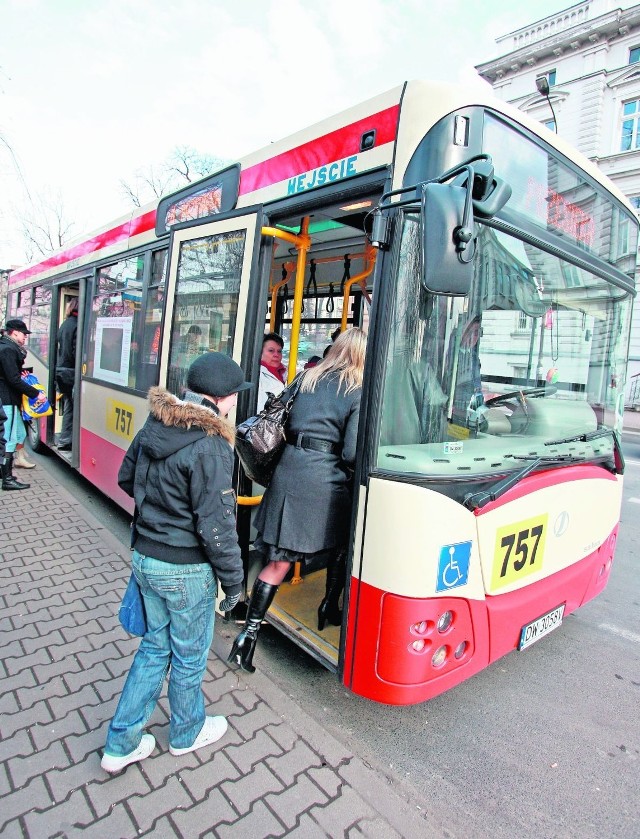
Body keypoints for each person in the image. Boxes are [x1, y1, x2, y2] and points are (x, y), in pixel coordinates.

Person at [101, 352, 252, 774]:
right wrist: (235, 586)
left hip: (146, 557)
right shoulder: (212, 445)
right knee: (188, 656)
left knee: (153, 649)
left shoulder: (156, 422)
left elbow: (126, 479)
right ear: (222, 399)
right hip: (186, 570)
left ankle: (122, 742)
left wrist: (160, 515)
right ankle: (186, 731)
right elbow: (217, 526)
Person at [228, 327, 366, 673]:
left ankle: (248, 636)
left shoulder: (307, 376)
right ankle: (328, 606)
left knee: (278, 562)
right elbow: (351, 452)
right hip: (325, 482)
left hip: (289, 473)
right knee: (342, 545)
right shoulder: (358, 389)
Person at [0, 319, 48, 491]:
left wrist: (21, 372)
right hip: (8, 400)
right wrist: (36, 394)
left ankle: (5, 472)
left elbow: (11, 374)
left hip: (9, 399)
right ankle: (6, 479)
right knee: (9, 439)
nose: (25, 337)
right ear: (14, 333)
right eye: (23, 334)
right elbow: (12, 379)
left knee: (19, 434)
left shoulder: (7, 347)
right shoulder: (7, 349)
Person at [55, 298, 79, 451]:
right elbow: (76, 353)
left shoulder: (65, 325)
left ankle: (65, 439)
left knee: (69, 406)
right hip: (71, 373)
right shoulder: (77, 325)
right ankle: (67, 440)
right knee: (73, 407)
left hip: (62, 371)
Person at [257, 332, 286, 411]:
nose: (276, 355)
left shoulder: (286, 373)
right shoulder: (256, 376)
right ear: (260, 352)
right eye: (271, 351)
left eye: (279, 351)